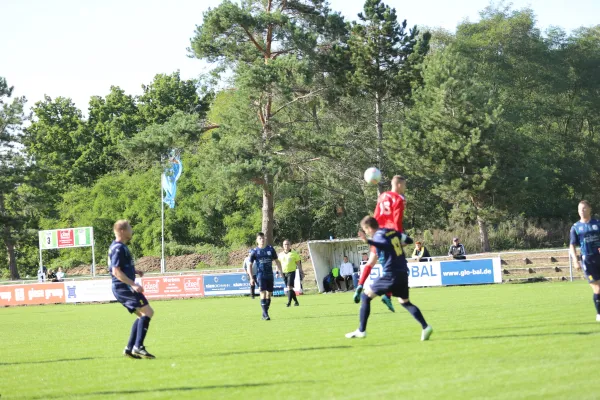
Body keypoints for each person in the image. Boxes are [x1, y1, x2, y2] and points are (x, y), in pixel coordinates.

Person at [346, 216, 433, 341]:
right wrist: (397, 244)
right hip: (403, 273)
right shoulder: (391, 232)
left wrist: (368, 241)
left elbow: (384, 245)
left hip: (391, 273)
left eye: (365, 230)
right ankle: (425, 327)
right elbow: (408, 240)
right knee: (404, 302)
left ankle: (361, 330)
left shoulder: (378, 236)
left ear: (369, 228)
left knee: (366, 296)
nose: (366, 233)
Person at [108, 220, 155, 359]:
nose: (132, 231)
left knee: (142, 315)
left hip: (122, 287)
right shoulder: (118, 248)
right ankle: (138, 347)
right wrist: (133, 284)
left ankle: (129, 348)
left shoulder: (117, 246)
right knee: (148, 312)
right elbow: (116, 271)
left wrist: (134, 270)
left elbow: (120, 267)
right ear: (122, 231)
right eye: (130, 228)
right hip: (123, 287)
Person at [373, 175, 407, 311]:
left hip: (380, 236)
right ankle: (374, 292)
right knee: (397, 269)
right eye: (404, 185)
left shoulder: (382, 196)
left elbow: (376, 216)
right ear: (398, 184)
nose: (405, 188)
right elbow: (397, 221)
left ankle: (386, 295)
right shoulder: (398, 199)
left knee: (393, 268)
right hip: (391, 236)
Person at [569, 200, 600, 322]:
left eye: (584, 208)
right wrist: (575, 260)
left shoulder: (597, 224)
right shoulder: (576, 227)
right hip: (587, 260)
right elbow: (572, 245)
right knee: (597, 289)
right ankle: (599, 313)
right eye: (579, 209)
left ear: (590, 209)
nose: (581, 211)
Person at [249, 232, 283, 320]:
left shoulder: (271, 249)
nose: (262, 240)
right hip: (261, 275)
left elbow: (277, 261)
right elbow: (249, 265)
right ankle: (266, 314)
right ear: (257, 240)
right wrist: (251, 277)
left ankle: (264, 314)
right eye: (260, 238)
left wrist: (280, 271)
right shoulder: (254, 251)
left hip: (270, 275)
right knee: (262, 293)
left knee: (269, 294)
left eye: (263, 238)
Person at [279, 239, 304, 307]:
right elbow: (278, 264)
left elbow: (298, 263)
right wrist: (277, 272)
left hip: (291, 272)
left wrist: (301, 271)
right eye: (285, 244)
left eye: (287, 244)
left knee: (289, 287)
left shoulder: (294, 253)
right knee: (290, 288)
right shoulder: (280, 254)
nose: (286, 246)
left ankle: (289, 302)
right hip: (284, 272)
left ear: (290, 245)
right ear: (283, 246)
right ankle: (296, 301)